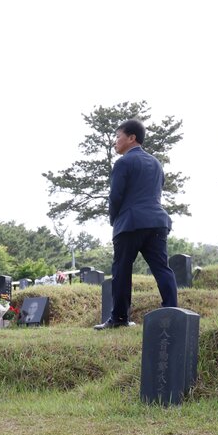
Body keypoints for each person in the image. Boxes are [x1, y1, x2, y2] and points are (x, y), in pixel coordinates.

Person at [94, 117, 178, 329]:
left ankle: (120, 318)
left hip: (130, 222)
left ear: (131, 138)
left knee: (122, 270)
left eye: (118, 137)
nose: (115, 141)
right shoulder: (156, 163)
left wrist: (114, 219)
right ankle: (173, 311)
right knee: (162, 268)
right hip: (157, 222)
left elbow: (115, 196)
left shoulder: (123, 162)